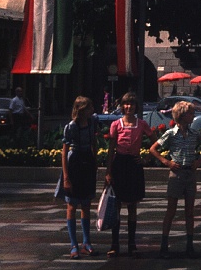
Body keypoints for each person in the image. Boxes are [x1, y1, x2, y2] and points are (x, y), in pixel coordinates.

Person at [149, 101, 201, 259]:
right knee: (171, 210)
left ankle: (190, 245)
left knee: (189, 211)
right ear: (182, 116)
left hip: (190, 173)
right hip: (176, 173)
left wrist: (198, 162)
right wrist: (166, 162)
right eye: (190, 113)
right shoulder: (171, 133)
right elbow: (153, 149)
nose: (193, 116)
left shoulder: (194, 133)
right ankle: (164, 245)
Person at [105, 92, 157, 258]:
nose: (129, 107)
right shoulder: (116, 124)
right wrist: (108, 171)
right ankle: (114, 244)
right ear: (122, 106)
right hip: (119, 164)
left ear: (136, 107)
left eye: (132, 104)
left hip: (134, 165)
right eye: (126, 104)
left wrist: (146, 158)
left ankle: (132, 244)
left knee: (132, 205)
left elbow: (156, 141)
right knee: (117, 205)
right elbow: (111, 149)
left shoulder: (141, 124)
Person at [61, 96, 99, 259]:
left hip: (87, 162)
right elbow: (64, 152)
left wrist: (95, 161)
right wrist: (66, 177)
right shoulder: (71, 127)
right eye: (90, 107)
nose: (93, 110)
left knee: (86, 204)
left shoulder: (92, 122)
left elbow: (94, 142)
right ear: (82, 110)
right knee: (72, 205)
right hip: (75, 163)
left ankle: (86, 242)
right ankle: (73, 244)